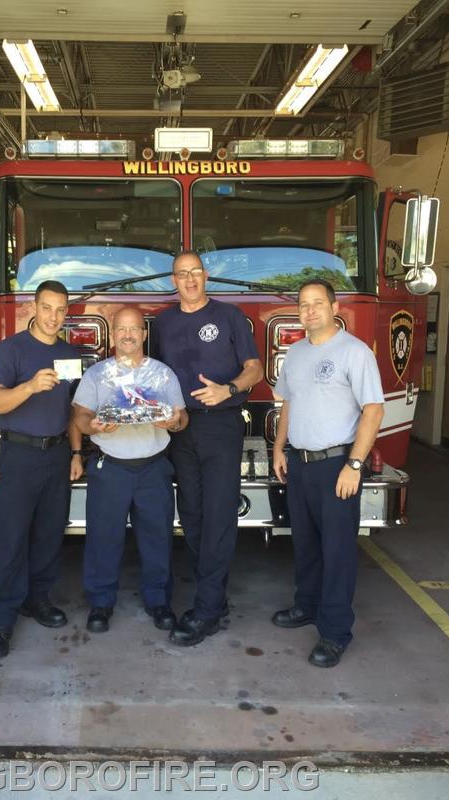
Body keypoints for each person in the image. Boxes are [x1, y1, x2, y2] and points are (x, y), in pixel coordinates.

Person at [151, 251, 263, 646]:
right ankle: (214, 597)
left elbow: (255, 368)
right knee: (194, 516)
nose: (190, 280)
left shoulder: (230, 316)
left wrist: (228, 389)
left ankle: (207, 610)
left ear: (206, 275)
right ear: (174, 281)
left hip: (220, 426)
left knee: (218, 515)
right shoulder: (162, 323)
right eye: (182, 274)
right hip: (180, 429)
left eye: (195, 272)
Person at [272, 279, 385, 668]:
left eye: (317, 303)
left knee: (336, 551)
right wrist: (278, 448)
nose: (310, 311)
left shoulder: (355, 352)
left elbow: (373, 410)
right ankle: (306, 606)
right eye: (303, 305)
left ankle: (335, 632)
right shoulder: (297, 352)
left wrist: (354, 465)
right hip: (300, 464)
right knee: (304, 544)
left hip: (337, 466)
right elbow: (288, 402)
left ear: (335, 307)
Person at [0, 280, 83, 659]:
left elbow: (72, 411)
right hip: (20, 454)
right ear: (33, 308)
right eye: (47, 308)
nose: (54, 316)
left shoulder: (70, 354)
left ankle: (37, 600)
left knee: (48, 535)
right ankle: (1, 620)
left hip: (57, 455)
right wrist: (29, 387)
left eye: (60, 310)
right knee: (11, 539)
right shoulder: (9, 350)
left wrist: (75, 452)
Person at [72, 308, 188, 634]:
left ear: (143, 334)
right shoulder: (97, 375)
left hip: (153, 467)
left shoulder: (163, 375)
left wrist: (174, 422)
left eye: (134, 329)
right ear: (112, 336)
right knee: (103, 539)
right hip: (111, 467)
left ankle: (159, 602)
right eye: (121, 329)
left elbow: (182, 418)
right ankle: (100, 602)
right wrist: (92, 425)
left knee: (157, 539)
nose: (127, 335)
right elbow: (80, 416)